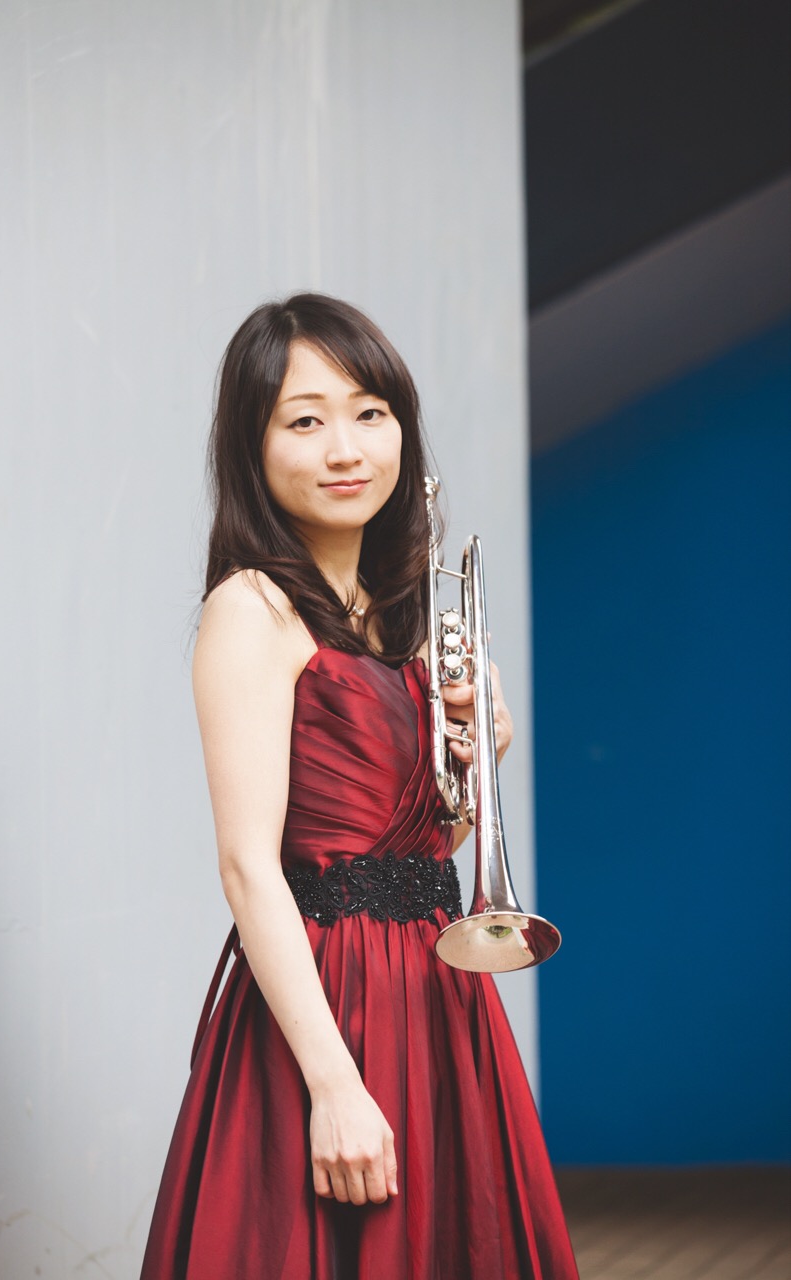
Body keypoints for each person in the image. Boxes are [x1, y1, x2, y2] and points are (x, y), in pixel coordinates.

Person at [140, 293, 579, 1279]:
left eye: (369, 412)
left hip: (438, 993)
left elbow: (418, 851)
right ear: (252, 447)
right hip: (327, 1001)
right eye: (304, 420)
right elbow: (248, 867)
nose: (345, 448)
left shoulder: (405, 614)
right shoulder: (251, 608)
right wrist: (333, 1084)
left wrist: (481, 757)